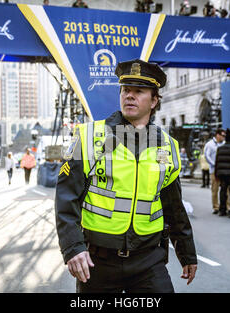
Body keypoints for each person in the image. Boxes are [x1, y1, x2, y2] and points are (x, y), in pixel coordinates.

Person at [55, 59, 197, 293]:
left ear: (154, 101)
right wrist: (73, 248)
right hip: (97, 262)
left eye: (138, 91)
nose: (129, 96)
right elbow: (66, 198)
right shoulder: (90, 137)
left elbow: (173, 206)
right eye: (125, 90)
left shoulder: (167, 147)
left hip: (148, 261)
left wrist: (187, 253)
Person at [204, 128, 230, 214]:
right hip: (214, 170)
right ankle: (216, 207)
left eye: (225, 136)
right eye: (223, 135)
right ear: (217, 135)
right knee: (215, 189)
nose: (224, 137)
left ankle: (228, 206)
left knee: (226, 189)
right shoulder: (209, 144)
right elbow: (207, 156)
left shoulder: (224, 144)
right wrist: (214, 164)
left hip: (224, 170)